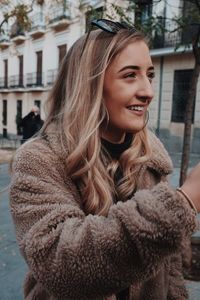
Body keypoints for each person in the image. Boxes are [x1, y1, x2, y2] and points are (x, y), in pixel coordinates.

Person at [9, 19, 200, 300]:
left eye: (149, 75)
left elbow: (168, 272)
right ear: (90, 84)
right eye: (130, 75)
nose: (148, 91)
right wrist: (184, 202)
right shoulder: (39, 160)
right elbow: (63, 266)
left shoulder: (150, 157)